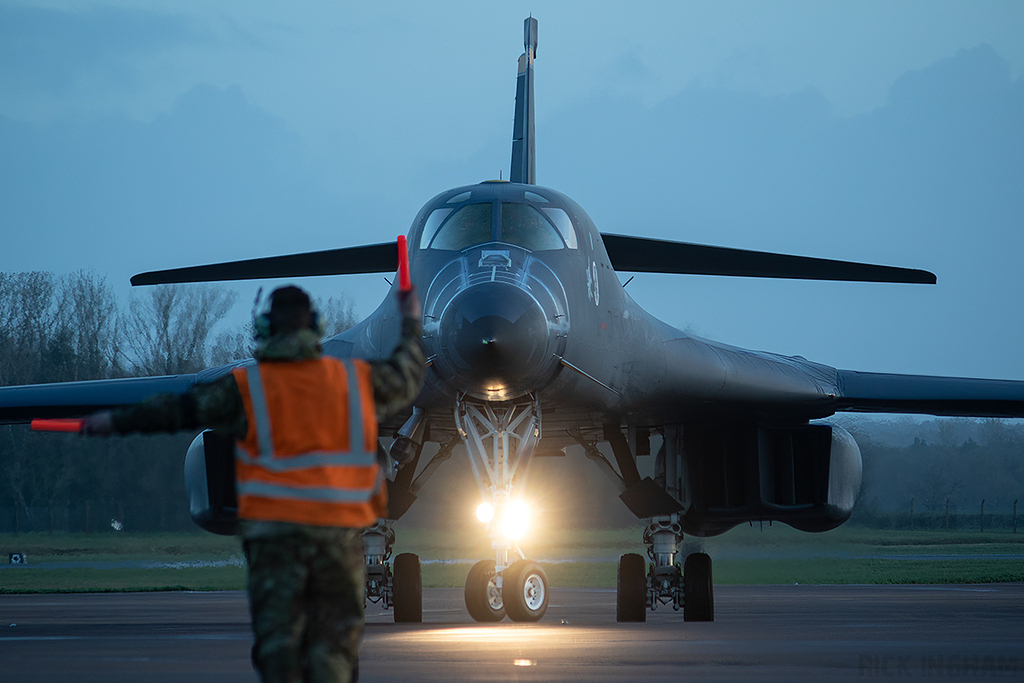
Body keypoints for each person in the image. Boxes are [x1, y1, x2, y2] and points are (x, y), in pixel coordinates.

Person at [83, 284, 425, 683]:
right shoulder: (353, 382)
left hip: (276, 545)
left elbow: (180, 409)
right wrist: (410, 320)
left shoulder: (247, 388)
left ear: (264, 330)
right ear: (314, 327)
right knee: (334, 651)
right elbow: (407, 374)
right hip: (336, 542)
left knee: (279, 651)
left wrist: (113, 421)